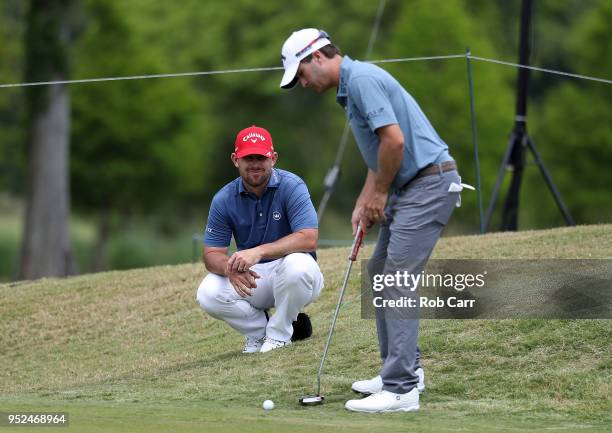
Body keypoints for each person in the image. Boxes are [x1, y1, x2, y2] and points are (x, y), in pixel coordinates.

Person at [280, 28, 462, 412]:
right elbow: (381, 153)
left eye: (301, 74)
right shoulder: (350, 90)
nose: (302, 83)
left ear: (317, 57)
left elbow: (395, 142)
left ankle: (401, 390)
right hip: (411, 187)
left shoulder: (360, 80)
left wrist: (379, 194)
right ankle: (402, 368)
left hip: (428, 184)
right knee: (380, 271)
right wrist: (366, 200)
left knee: (396, 279)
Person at [196, 125, 324, 353]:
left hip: (295, 272)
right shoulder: (223, 198)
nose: (255, 163)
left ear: (273, 158)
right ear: (236, 160)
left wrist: (259, 251)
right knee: (208, 292)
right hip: (253, 277)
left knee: (298, 265)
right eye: (248, 157)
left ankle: (280, 333)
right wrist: (229, 268)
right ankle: (259, 332)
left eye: (261, 157)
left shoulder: (292, 185)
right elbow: (211, 254)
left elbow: (308, 238)